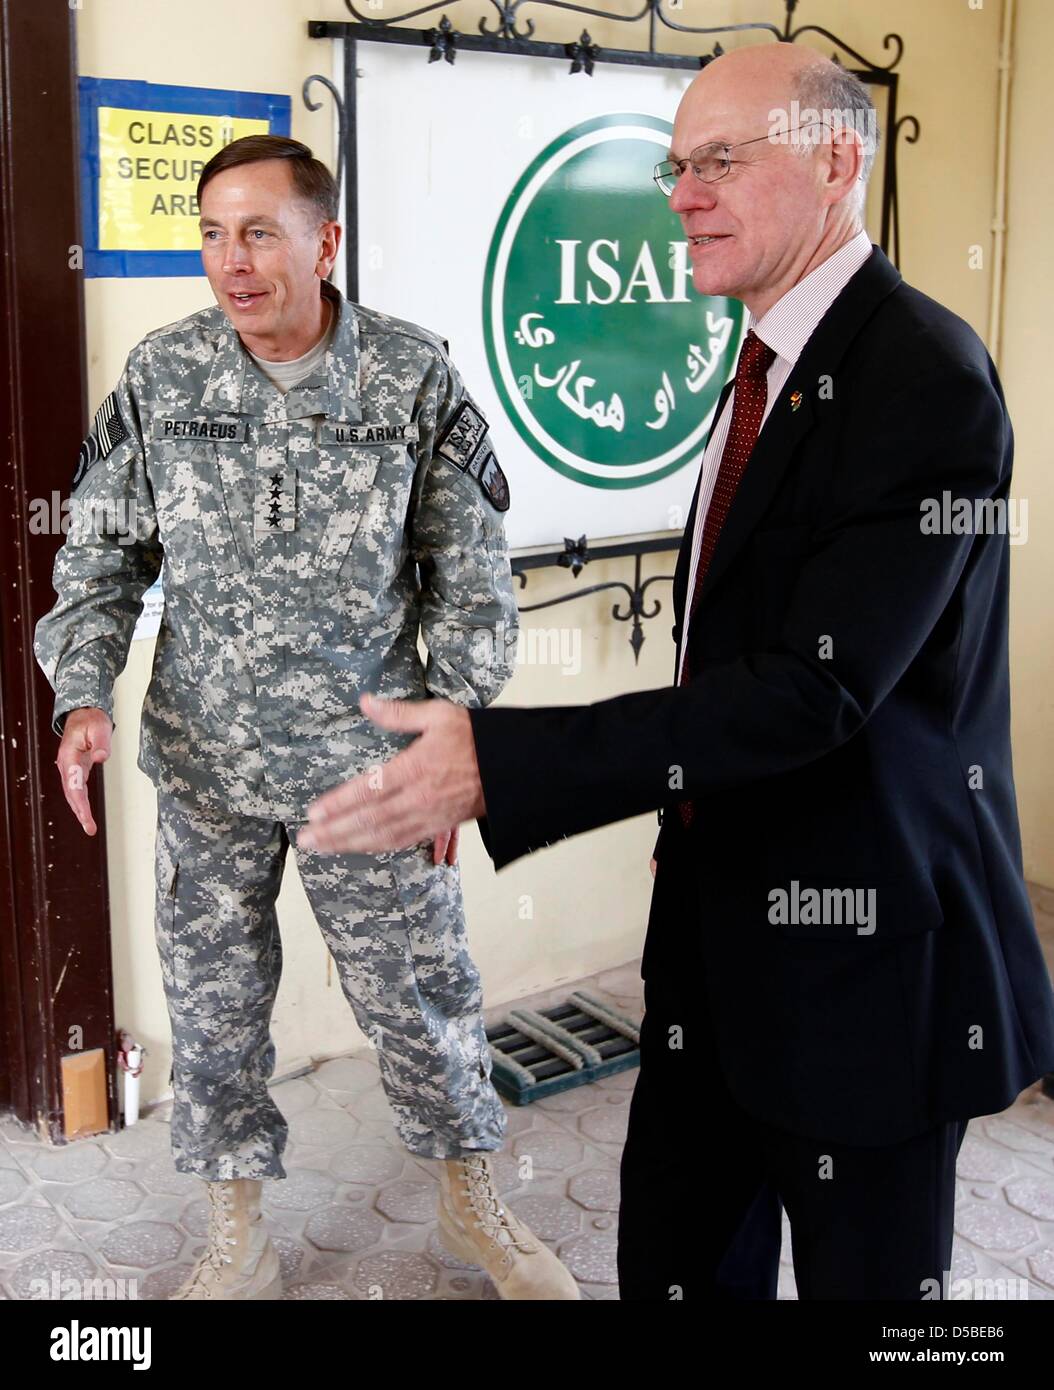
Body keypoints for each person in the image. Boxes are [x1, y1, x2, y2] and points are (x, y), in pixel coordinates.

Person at [297, 48, 1054, 1301]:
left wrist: (504, 762)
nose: (682, 194)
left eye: (719, 161)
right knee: (676, 1262)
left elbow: (817, 687)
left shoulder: (923, 376)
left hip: (868, 965)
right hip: (715, 936)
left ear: (834, 161)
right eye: (674, 165)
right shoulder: (757, 356)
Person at [34, 134, 579, 1301]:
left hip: (369, 769)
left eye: (260, 232)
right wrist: (82, 690)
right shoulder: (163, 375)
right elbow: (100, 556)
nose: (233, 262)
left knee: (423, 1001)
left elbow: (472, 581)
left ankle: (475, 1204)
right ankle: (240, 1231)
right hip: (207, 759)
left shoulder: (411, 376)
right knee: (216, 1010)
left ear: (323, 242)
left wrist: (457, 734)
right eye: (213, 233)